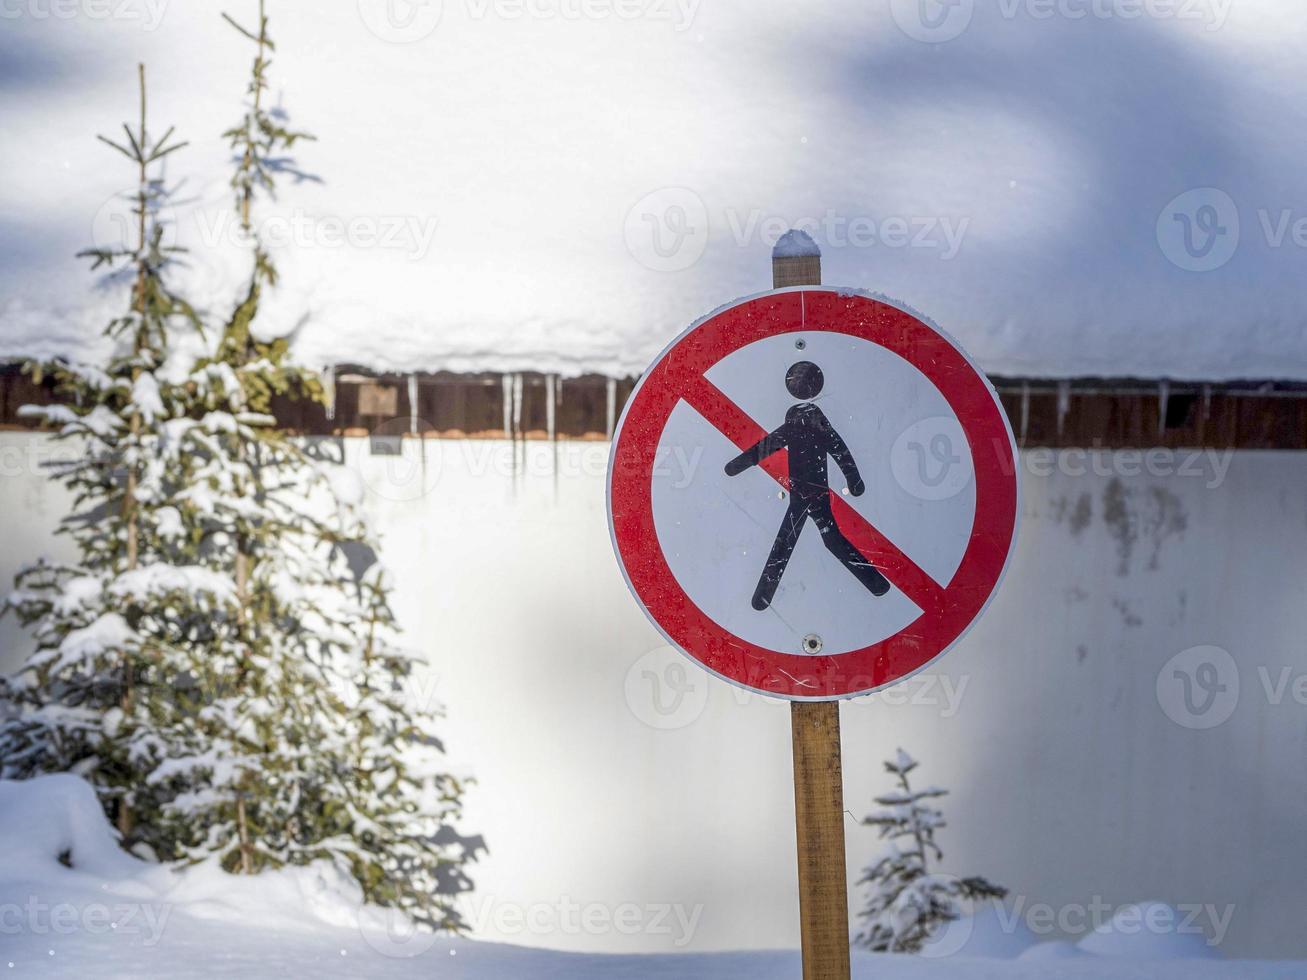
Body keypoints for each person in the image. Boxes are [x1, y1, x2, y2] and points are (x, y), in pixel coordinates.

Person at [724, 360, 891, 611]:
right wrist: (854, 482)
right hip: (806, 494)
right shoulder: (806, 424)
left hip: (806, 494)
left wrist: (735, 467)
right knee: (820, 539)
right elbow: (769, 447)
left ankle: (762, 597)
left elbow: (766, 447)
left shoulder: (805, 424)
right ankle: (876, 584)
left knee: (800, 540)